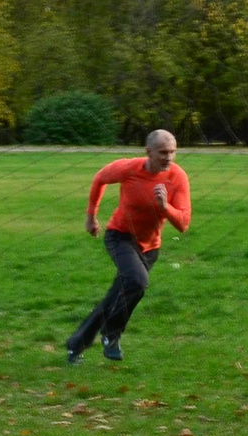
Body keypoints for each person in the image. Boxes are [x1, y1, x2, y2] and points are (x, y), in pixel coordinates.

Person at [67, 128, 191, 364]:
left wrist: (165, 207)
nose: (169, 157)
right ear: (148, 151)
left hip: (150, 247)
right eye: (163, 152)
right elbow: (100, 178)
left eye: (173, 152)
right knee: (137, 281)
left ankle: (76, 346)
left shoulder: (177, 177)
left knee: (116, 296)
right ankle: (111, 335)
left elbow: (183, 223)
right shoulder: (129, 168)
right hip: (119, 236)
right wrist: (91, 215)